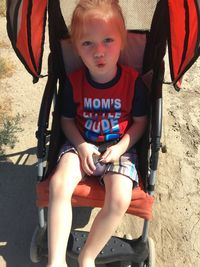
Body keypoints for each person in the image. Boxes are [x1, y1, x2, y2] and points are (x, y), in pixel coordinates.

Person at [47, 0, 148, 266]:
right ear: (76, 48)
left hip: (119, 147)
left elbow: (140, 122)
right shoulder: (74, 82)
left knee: (120, 198)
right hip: (81, 142)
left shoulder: (132, 82)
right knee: (58, 185)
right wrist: (80, 145)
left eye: (107, 41)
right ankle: (55, 260)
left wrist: (122, 147)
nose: (99, 52)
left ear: (122, 41)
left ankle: (87, 256)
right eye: (87, 44)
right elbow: (66, 121)